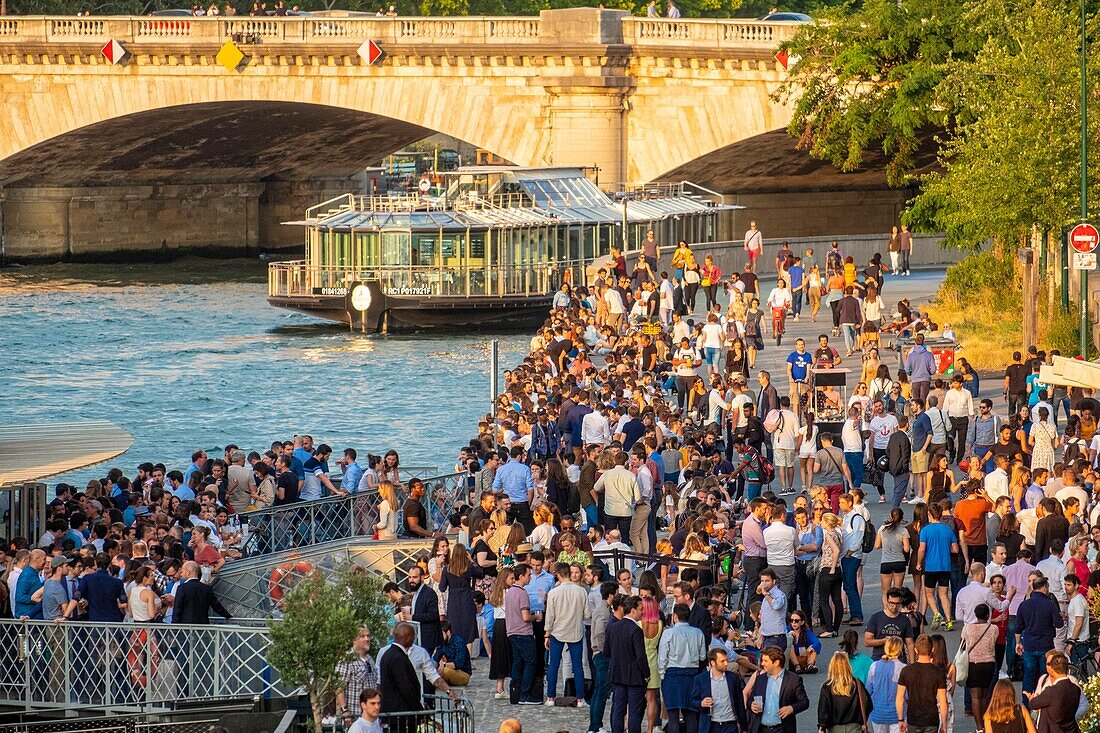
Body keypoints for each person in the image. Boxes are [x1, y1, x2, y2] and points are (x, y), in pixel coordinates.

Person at [543, 563, 589, 706]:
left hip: (557, 631)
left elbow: (550, 616)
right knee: (578, 666)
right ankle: (580, 698)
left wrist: (547, 633)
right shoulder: (581, 591)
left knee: (553, 665)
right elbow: (587, 614)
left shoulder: (553, 593)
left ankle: (551, 697)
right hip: (575, 631)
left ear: (558, 574)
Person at [660, 603, 708, 733]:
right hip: (692, 674)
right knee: (690, 715)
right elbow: (703, 656)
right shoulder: (698, 633)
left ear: (675, 616)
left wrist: (662, 675)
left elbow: (662, 658)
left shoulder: (668, 633)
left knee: (673, 715)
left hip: (672, 675)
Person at [608, 595, 649, 733]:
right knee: (634, 713)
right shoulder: (636, 630)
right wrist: (647, 674)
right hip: (634, 677)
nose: (643, 611)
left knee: (618, 711)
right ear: (633, 610)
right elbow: (641, 656)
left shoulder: (613, 627)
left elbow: (607, 651)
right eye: (640, 609)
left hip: (618, 674)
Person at [745, 646, 810, 733]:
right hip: (760, 728)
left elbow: (804, 702)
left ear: (776, 663)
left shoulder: (793, 680)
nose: (762, 664)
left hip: (782, 729)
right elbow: (751, 699)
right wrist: (751, 705)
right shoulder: (760, 679)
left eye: (765, 661)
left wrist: (791, 708)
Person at [1015, 576, 1063, 694]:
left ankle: (1027, 703)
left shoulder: (1024, 605)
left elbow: (1018, 627)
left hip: (1030, 645)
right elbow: (1059, 624)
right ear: (1044, 587)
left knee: (1028, 675)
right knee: (1045, 675)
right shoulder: (1050, 604)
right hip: (1046, 645)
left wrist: (1018, 643)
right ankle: (1043, 701)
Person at [916, 502, 958, 631]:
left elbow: (922, 549)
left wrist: (919, 563)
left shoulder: (925, 530)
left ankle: (936, 613)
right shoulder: (947, 529)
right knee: (944, 594)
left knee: (929, 593)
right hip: (945, 566)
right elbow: (955, 549)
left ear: (929, 514)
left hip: (931, 566)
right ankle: (949, 620)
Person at [895, 634, 948, 733]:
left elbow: (899, 698)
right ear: (932, 649)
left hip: (913, 719)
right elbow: (943, 702)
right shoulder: (938, 672)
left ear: (915, 650)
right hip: (931, 720)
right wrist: (944, 725)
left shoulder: (906, 670)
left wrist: (901, 720)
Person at [690, 647, 748, 733]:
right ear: (713, 662)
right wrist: (701, 703)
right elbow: (693, 701)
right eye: (722, 661)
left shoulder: (733, 678)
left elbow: (740, 703)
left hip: (730, 724)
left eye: (726, 660)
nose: (726, 664)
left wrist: (744, 728)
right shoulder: (701, 679)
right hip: (710, 725)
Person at [505, 563, 540, 705]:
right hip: (523, 632)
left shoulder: (509, 592)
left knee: (517, 663)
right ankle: (525, 694)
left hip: (511, 631)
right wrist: (536, 617)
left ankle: (515, 692)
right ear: (522, 576)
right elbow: (525, 616)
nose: (530, 577)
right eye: (528, 574)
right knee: (530, 662)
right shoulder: (522, 593)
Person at [816, 650, 873, 733]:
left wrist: (822, 726)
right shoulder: (857, 684)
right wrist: (861, 720)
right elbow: (868, 704)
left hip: (834, 728)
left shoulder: (827, 686)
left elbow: (823, 709)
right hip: (854, 727)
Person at [1024, 651, 1080, 733]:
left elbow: (1033, 704)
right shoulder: (1075, 689)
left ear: (1053, 670)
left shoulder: (1051, 691)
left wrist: (1031, 699)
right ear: (1067, 669)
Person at [962, 603, 998, 731]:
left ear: (975, 615)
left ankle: (979, 727)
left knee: (975, 696)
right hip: (989, 663)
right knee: (985, 695)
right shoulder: (993, 628)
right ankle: (986, 723)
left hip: (973, 664)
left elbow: (963, 643)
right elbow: (994, 642)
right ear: (988, 615)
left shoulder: (967, 628)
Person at [337, 627, 380, 728]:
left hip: (371, 717)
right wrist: (345, 711)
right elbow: (339, 687)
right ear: (354, 639)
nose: (367, 639)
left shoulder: (370, 659)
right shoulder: (346, 659)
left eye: (368, 636)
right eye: (362, 636)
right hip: (354, 717)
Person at [865, 637, 905, 733]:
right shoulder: (902, 668)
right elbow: (906, 695)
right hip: (896, 714)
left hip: (878, 713)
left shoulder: (874, 666)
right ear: (900, 649)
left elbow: (868, 691)